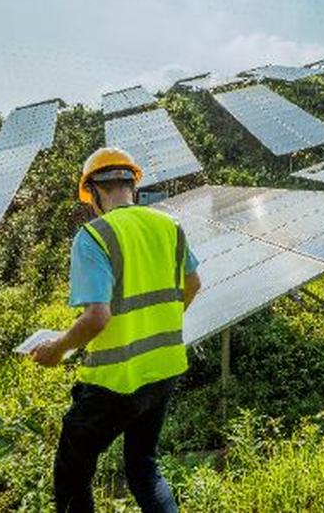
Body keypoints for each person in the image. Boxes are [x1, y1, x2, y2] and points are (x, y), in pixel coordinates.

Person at [31, 147, 201, 513]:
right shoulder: (169, 226)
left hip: (114, 380)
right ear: (132, 186)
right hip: (164, 369)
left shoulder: (93, 236)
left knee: (72, 474)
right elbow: (193, 284)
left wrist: (58, 348)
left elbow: (97, 317)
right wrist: (158, 322)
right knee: (143, 467)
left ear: (93, 191)